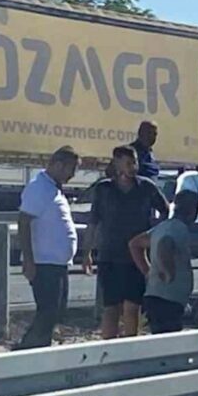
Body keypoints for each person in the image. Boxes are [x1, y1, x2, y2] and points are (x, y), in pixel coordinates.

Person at [83, 145, 168, 338]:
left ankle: (130, 346)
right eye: (128, 163)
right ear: (117, 163)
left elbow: (165, 210)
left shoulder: (146, 187)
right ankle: (108, 346)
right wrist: (87, 253)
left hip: (136, 258)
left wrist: (154, 235)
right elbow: (93, 222)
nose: (133, 167)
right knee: (111, 307)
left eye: (135, 162)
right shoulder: (104, 189)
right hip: (109, 256)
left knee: (132, 306)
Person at [16, 146, 80, 349]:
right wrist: (28, 260)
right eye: (70, 169)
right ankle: (28, 349)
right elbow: (24, 222)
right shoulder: (39, 188)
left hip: (57, 262)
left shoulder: (53, 188)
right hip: (44, 262)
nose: (71, 176)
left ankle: (39, 347)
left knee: (56, 312)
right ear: (58, 164)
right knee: (48, 311)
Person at [129, 190, 198, 334]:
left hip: (156, 294)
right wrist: (167, 271)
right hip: (168, 298)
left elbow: (135, 243)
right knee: (168, 338)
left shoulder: (164, 226)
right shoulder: (179, 228)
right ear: (193, 211)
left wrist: (147, 270)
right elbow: (164, 244)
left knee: (160, 336)